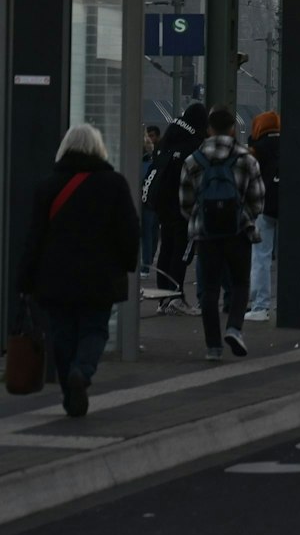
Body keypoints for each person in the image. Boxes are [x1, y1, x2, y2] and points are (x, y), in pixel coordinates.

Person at [14, 125, 140, 418]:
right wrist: (126, 264)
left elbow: (34, 237)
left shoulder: (48, 186)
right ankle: (81, 372)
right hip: (100, 275)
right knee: (94, 329)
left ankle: (70, 393)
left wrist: (25, 277)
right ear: (98, 148)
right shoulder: (114, 184)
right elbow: (129, 231)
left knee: (62, 333)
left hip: (55, 276)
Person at [178, 107, 265, 361]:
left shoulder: (194, 159)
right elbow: (258, 199)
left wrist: (200, 218)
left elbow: (184, 201)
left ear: (208, 129)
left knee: (208, 289)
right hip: (238, 231)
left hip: (206, 235)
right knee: (239, 283)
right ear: (231, 129)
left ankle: (213, 347)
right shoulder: (245, 157)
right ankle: (235, 328)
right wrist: (243, 215)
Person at [142, 102, 205, 303]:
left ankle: (163, 297)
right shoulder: (194, 143)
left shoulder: (168, 138)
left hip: (162, 203)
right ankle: (176, 296)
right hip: (183, 205)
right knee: (181, 251)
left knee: (166, 248)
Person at [246, 112, 282, 321]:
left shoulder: (256, 149)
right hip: (289, 207)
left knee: (261, 257)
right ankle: (290, 304)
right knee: (288, 258)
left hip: (262, 207)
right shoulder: (290, 144)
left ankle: (260, 306)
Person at [139, 123, 160, 286]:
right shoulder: (153, 162)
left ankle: (144, 265)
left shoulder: (137, 164)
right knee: (149, 233)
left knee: (145, 233)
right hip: (150, 201)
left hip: (142, 201)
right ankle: (146, 264)